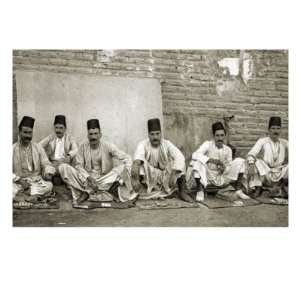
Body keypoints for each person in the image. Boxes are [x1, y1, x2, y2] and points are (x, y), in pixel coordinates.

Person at [58, 118, 136, 207]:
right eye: (91, 134)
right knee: (63, 167)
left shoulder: (108, 146)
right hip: (86, 181)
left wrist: (125, 177)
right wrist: (88, 178)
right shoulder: (82, 147)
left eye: (96, 134)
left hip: (105, 180)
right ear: (88, 135)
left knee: (122, 168)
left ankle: (88, 193)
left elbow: (127, 158)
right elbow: (79, 166)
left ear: (100, 135)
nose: (93, 137)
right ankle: (93, 192)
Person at [131, 118, 194, 202]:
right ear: (148, 135)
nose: (155, 137)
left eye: (157, 134)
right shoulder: (142, 144)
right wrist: (135, 179)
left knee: (180, 164)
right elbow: (137, 161)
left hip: (165, 176)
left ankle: (182, 192)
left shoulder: (167, 144)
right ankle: (138, 192)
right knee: (136, 165)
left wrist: (174, 172)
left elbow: (179, 156)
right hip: (148, 176)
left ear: (161, 134)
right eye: (152, 134)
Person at [187, 121, 250, 202]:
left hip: (222, 177)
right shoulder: (208, 144)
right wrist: (212, 160)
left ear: (224, 136)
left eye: (222, 135)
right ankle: (200, 190)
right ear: (213, 136)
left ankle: (238, 190)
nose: (220, 138)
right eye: (217, 135)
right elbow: (195, 155)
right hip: (208, 176)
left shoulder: (228, 149)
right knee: (196, 162)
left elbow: (229, 165)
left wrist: (224, 168)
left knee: (240, 161)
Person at [13, 116, 55, 201]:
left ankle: (23, 196)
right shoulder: (12, 149)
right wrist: (19, 180)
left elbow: (46, 163)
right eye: (25, 132)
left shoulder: (38, 147)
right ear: (19, 132)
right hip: (19, 182)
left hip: (35, 182)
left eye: (30, 133)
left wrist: (48, 172)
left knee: (49, 186)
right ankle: (30, 196)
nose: (28, 136)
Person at [246, 116, 288, 198]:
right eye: (273, 128)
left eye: (278, 128)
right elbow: (251, 153)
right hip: (266, 172)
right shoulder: (262, 141)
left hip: (280, 173)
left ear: (280, 130)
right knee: (257, 161)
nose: (275, 131)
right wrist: (251, 164)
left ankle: (283, 188)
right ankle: (258, 188)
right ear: (269, 130)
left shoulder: (285, 142)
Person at [39, 115, 78, 184]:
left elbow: (76, 149)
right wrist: (44, 158)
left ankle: (59, 178)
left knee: (65, 169)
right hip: (52, 164)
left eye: (61, 128)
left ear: (65, 129)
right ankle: (57, 178)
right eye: (56, 128)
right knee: (47, 172)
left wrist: (69, 155)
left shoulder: (69, 138)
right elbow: (38, 146)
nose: (58, 130)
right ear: (54, 128)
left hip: (64, 164)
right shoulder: (51, 137)